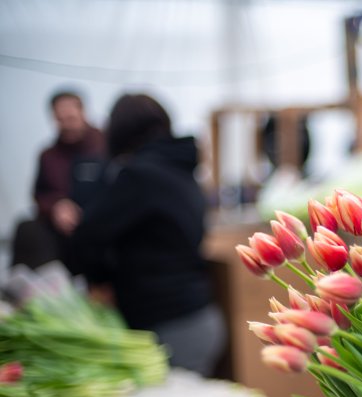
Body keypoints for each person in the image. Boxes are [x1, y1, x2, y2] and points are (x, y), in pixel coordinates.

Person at [69, 93, 226, 377]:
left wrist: (99, 280)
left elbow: (87, 234)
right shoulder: (183, 171)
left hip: (169, 327)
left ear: (119, 132)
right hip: (199, 318)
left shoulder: (138, 177)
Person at [11, 90, 106, 270]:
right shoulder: (48, 156)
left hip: (101, 223)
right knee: (28, 229)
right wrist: (57, 206)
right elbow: (40, 194)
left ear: (83, 112)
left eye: (70, 118)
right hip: (62, 231)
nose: (66, 125)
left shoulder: (105, 144)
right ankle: (39, 291)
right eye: (60, 120)